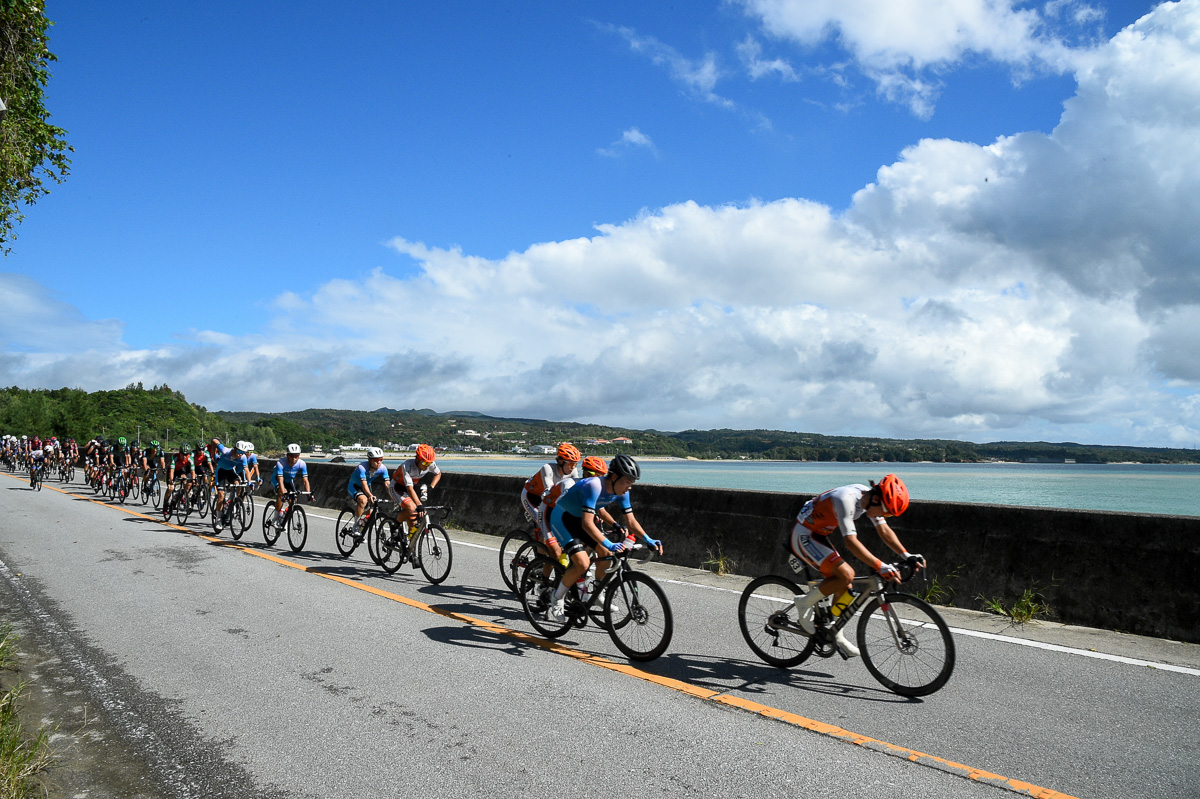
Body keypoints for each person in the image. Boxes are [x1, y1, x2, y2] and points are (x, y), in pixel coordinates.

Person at [788, 474, 924, 659]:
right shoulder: (846, 499)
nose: (886, 516)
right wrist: (881, 566)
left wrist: (906, 555)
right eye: (887, 512)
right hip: (804, 534)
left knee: (846, 588)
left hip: (820, 533)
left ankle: (835, 632)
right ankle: (803, 603)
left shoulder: (869, 499)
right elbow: (851, 542)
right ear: (876, 499)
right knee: (846, 574)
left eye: (890, 514)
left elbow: (883, 530)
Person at [544, 454, 661, 622]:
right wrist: (609, 544)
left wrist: (649, 539)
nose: (630, 487)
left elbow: (631, 521)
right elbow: (587, 524)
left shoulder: (622, 492)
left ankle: (596, 592)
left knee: (606, 555)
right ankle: (557, 597)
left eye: (632, 482)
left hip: (579, 519)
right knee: (583, 563)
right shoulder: (594, 486)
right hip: (563, 519)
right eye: (627, 481)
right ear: (614, 477)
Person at [521, 443, 581, 528]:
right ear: (561, 461)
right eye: (571, 464)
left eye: (575, 464)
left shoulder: (573, 472)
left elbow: (576, 489)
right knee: (544, 524)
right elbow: (550, 491)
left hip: (547, 499)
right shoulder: (548, 468)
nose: (573, 468)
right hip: (531, 496)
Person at [386, 444, 441, 531]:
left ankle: (410, 542)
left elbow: (438, 473)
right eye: (424, 463)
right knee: (412, 508)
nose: (427, 466)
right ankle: (395, 526)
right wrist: (419, 505)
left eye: (429, 463)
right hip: (397, 487)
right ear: (417, 459)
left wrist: (431, 486)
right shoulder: (407, 466)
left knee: (413, 524)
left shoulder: (429, 463)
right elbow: (409, 489)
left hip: (411, 487)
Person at [346, 447, 390, 536]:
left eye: (381, 459)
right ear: (369, 459)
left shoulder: (383, 468)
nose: (379, 462)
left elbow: (387, 484)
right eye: (376, 460)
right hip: (354, 486)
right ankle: (356, 526)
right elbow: (364, 484)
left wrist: (393, 497)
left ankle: (361, 528)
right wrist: (370, 495)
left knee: (371, 513)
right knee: (363, 500)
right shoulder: (362, 467)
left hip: (367, 487)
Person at [271, 444, 312, 528]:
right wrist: (283, 492)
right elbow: (280, 480)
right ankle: (275, 518)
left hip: (289, 481)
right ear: (287, 455)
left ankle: (284, 518)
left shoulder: (302, 464)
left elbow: (305, 481)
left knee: (293, 500)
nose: (294, 458)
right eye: (291, 456)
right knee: (281, 494)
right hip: (277, 480)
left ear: (299, 455)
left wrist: (309, 495)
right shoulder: (281, 463)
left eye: (296, 456)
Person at [163, 444, 194, 518]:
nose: (184, 456)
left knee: (187, 481)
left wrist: (193, 480)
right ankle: (165, 504)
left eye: (186, 454)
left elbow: (193, 471)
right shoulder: (175, 457)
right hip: (172, 471)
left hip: (180, 470)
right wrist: (171, 481)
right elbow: (172, 471)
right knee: (171, 488)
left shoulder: (190, 459)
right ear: (180, 453)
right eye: (183, 454)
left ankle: (181, 495)